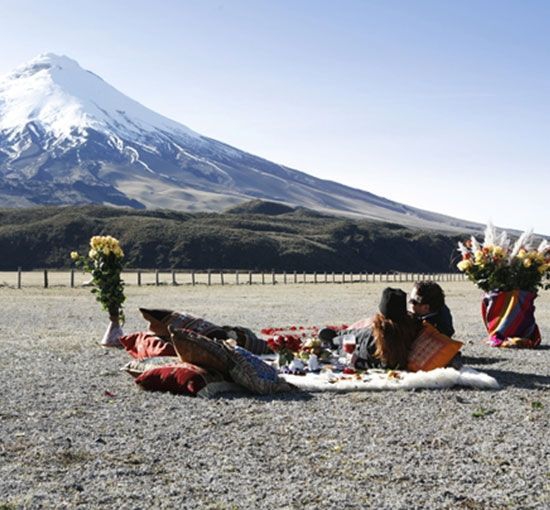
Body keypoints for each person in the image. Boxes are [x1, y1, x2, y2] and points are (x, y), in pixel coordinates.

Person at [320, 287, 422, 370]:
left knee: (344, 341)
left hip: (359, 350)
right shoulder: (411, 328)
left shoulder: (378, 334)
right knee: (350, 336)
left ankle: (333, 338)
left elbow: (359, 353)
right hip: (365, 345)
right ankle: (335, 337)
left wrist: (357, 362)